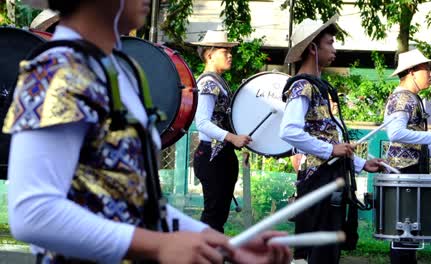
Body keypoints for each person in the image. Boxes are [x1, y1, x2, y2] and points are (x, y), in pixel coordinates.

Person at [3, 1, 291, 263]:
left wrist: (227, 245)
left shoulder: (118, 71)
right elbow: (33, 213)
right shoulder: (57, 70)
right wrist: (157, 245)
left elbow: (140, 204)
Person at [279, 16, 385, 264]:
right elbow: (289, 131)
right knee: (318, 253)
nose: (335, 49)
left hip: (329, 178)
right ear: (313, 49)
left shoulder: (317, 87)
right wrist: (330, 150)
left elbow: (327, 138)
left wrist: (360, 164)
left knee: (328, 251)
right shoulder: (303, 86)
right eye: (330, 43)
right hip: (318, 181)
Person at [384, 48, 431, 264]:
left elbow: (411, 140)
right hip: (403, 174)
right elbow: (395, 133)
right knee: (403, 235)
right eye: (426, 69)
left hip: (410, 173)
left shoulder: (411, 98)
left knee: (409, 237)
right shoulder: (402, 99)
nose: (430, 73)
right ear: (411, 72)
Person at [192, 30, 252, 233]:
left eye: (230, 50)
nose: (230, 54)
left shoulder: (217, 81)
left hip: (221, 155)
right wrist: (233, 138)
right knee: (213, 215)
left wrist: (237, 142)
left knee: (218, 215)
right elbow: (202, 123)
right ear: (209, 55)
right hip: (211, 156)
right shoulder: (208, 83)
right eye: (224, 50)